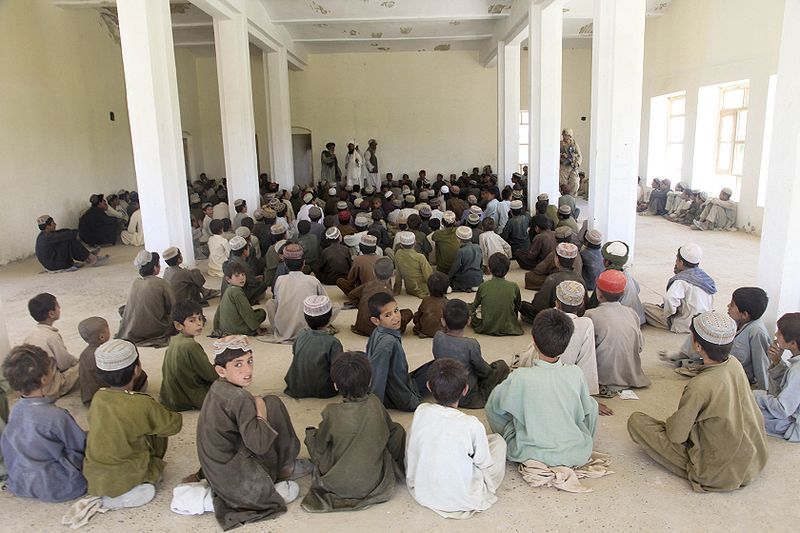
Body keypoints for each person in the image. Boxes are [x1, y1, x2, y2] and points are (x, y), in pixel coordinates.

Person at [628, 312, 768, 491]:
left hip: (717, 473)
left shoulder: (700, 385)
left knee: (637, 421)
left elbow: (676, 435)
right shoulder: (734, 364)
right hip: (753, 460)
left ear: (698, 346)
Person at [197, 336, 311, 529]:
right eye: (238, 365)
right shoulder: (239, 398)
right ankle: (279, 472)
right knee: (291, 492)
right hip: (231, 472)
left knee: (272, 402)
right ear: (221, 370)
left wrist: (261, 407)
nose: (247, 370)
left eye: (249, 361)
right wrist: (260, 411)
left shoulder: (218, 387)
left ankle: (285, 466)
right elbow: (258, 445)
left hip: (216, 465)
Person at [486, 309, 598, 467]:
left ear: (533, 340)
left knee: (504, 406)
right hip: (576, 454)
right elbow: (589, 413)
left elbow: (493, 408)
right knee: (591, 404)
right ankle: (573, 442)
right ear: (566, 343)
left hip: (529, 453)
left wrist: (511, 430)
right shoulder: (576, 373)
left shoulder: (520, 377)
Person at [84, 339, 182, 509]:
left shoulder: (98, 397)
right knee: (157, 430)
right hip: (128, 474)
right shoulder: (142, 403)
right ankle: (127, 493)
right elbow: (173, 425)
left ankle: (110, 493)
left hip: (95, 476)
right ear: (137, 369)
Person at [303, 351, 405, 512]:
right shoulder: (375, 403)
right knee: (397, 430)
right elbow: (391, 432)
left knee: (312, 436)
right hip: (373, 482)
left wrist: (311, 437)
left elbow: (320, 449)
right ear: (370, 380)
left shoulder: (331, 412)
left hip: (337, 485)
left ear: (335, 385)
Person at [406, 358, 506, 519]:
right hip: (462, 497)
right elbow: (483, 462)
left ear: (429, 386)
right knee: (499, 442)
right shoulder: (472, 424)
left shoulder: (421, 410)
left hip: (424, 492)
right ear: (465, 390)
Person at [0, 344, 87, 502]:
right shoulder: (56, 416)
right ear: (44, 379)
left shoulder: (16, 410)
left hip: (22, 481)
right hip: (58, 485)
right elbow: (80, 445)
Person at [663, 287, 771, 389]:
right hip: (720, 361)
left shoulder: (757, 333)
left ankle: (695, 364)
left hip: (733, 374)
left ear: (744, 314)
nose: (728, 306)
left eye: (732, 305)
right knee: (700, 327)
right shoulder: (736, 321)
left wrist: (763, 390)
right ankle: (685, 355)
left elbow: (761, 364)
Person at [513, 281, 600, 397]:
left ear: (557, 303)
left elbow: (535, 349)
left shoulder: (546, 318)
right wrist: (587, 397)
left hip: (538, 371)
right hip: (568, 382)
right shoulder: (586, 324)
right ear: (581, 304)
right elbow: (587, 360)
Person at [425, 300, 510, 409]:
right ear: (469, 321)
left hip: (443, 389)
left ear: (443, 321)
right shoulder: (471, 344)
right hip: (467, 396)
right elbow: (483, 371)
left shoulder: (438, 337)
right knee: (501, 366)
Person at [585, 271, 651, 389]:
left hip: (603, 378)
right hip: (631, 376)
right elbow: (640, 346)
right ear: (623, 293)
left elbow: (585, 350)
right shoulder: (632, 313)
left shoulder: (591, 315)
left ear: (598, 294)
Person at [266, 244, 333, 344]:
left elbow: (278, 301)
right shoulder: (313, 280)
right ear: (303, 263)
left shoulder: (280, 280)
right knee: (334, 307)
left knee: (270, 303)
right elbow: (326, 301)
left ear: (285, 264)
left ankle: (282, 330)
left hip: (284, 330)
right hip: (310, 326)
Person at [366, 292, 422, 412]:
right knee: (438, 368)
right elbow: (378, 376)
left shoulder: (378, 332)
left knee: (430, 368)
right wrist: (375, 409)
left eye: (396, 310)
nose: (396, 317)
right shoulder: (387, 343)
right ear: (376, 321)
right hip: (399, 396)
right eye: (388, 315)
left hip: (395, 383)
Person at [644, 243, 716, 333]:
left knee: (644, 307)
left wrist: (668, 314)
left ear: (681, 263)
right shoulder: (705, 278)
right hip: (703, 323)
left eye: (677, 260)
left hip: (685, 324)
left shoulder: (681, 281)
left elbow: (669, 298)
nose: (675, 263)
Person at [159, 300, 217, 411]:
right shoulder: (191, 346)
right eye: (192, 320)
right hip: (188, 396)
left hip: (171, 397)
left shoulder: (175, 340)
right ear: (178, 325)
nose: (199, 323)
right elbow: (211, 375)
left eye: (200, 318)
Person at [283, 296, 343, 399]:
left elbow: (295, 353)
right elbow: (338, 369)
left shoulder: (301, 334)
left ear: (306, 318)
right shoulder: (333, 342)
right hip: (324, 390)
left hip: (296, 386)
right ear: (329, 319)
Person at [78, 316, 147, 405]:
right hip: (103, 398)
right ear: (102, 337)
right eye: (107, 329)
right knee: (140, 376)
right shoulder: (103, 355)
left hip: (89, 396)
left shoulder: (84, 354)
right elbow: (111, 378)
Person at [753, 312, 800, 441]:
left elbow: (782, 409)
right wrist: (776, 360)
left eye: (779, 333)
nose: (775, 335)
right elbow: (782, 390)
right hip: (790, 411)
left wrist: (756, 397)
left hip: (793, 425)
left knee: (744, 410)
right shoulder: (796, 365)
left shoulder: (797, 372)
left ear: (792, 344)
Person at [23, 293, 79, 397]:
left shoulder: (31, 334)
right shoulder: (52, 337)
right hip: (48, 387)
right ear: (51, 314)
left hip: (31, 386)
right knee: (83, 365)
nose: (60, 308)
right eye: (57, 306)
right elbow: (64, 364)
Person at [117, 250, 176, 348]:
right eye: (158, 264)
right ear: (154, 267)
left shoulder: (134, 282)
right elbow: (173, 307)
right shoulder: (161, 283)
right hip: (156, 328)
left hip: (133, 329)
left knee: (124, 309)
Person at [521, 243, 585, 322]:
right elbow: (585, 304)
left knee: (523, 305)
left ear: (557, 259)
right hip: (575, 316)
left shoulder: (552, 279)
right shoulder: (580, 278)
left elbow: (539, 305)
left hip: (555, 318)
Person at [349, 257, 413, 337]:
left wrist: (363, 306)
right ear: (392, 274)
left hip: (361, 327)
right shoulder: (387, 292)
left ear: (373, 272)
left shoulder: (368, 285)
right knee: (408, 313)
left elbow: (352, 295)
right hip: (379, 330)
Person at [588, 241, 645, 326]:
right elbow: (638, 289)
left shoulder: (606, 278)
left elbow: (593, 304)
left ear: (606, 262)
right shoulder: (626, 274)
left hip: (621, 322)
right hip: (637, 318)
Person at [470, 253, 523, 336]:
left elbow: (474, 306)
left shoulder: (484, 286)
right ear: (508, 269)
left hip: (486, 326)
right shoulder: (514, 286)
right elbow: (518, 306)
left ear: (489, 269)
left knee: (475, 313)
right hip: (509, 325)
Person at [211, 261, 267, 337]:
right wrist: (257, 329)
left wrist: (216, 327)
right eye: (237, 276)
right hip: (237, 329)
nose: (241, 278)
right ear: (228, 279)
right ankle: (249, 328)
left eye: (243, 275)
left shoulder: (228, 289)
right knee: (261, 313)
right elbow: (246, 312)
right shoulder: (237, 292)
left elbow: (219, 311)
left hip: (225, 328)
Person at [35, 215, 106, 271]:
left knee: (67, 235)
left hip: (53, 262)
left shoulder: (44, 235)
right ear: (47, 226)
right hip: (55, 265)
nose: (55, 224)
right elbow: (64, 235)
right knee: (69, 240)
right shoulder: (47, 237)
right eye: (53, 223)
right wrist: (77, 233)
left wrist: (70, 231)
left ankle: (87, 255)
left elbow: (61, 232)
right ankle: (91, 258)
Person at [524, 226, 583, 290]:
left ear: (556, 239)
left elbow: (539, 270)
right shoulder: (576, 251)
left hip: (561, 279)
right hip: (576, 279)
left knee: (529, 276)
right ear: (571, 238)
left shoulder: (555, 254)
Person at [220, 236, 269, 304]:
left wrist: (254, 278)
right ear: (245, 251)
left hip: (226, 295)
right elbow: (253, 283)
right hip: (236, 296)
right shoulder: (242, 265)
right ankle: (249, 301)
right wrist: (257, 280)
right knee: (264, 284)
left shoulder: (231, 260)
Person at [393, 231, 432, 298]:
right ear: (415, 243)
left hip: (409, 289)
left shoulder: (398, 253)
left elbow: (398, 275)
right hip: (423, 289)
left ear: (401, 245)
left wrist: (397, 290)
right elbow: (428, 276)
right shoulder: (420, 257)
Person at [413, 272, 449, 339]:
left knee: (416, 314)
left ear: (429, 288)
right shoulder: (447, 303)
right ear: (446, 289)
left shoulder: (425, 300)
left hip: (425, 331)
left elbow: (419, 315)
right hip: (443, 332)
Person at [449, 226, 483, 292]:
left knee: (452, 282)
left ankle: (466, 287)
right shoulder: (477, 247)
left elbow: (455, 268)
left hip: (465, 278)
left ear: (458, 239)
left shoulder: (461, 251)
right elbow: (481, 264)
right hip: (478, 278)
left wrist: (448, 277)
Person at [559, 129, 582, 195]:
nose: (565, 137)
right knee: (562, 183)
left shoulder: (574, 144)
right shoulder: (560, 144)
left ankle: (571, 197)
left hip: (572, 166)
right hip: (564, 167)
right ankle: (564, 197)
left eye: (567, 136)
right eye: (564, 135)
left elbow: (579, 155)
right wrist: (562, 155)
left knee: (575, 182)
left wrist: (577, 163)